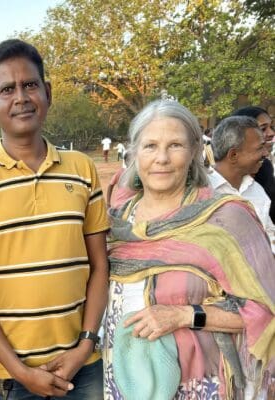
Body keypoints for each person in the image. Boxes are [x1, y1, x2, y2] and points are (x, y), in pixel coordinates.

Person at [0, 39, 109, 399]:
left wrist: (86, 344)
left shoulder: (82, 169)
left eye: (30, 85)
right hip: (7, 376)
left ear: (47, 93)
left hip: (83, 366)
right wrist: (20, 371)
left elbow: (100, 265)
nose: (21, 97)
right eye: (7, 89)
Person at [103, 100, 274, 399]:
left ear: (195, 151)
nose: (162, 158)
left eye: (175, 145)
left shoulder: (226, 219)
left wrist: (185, 315)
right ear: (135, 152)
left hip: (201, 385)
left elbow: (265, 307)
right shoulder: (117, 219)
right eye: (150, 146)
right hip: (125, 379)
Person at [209, 115, 275, 252]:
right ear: (233, 155)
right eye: (260, 148)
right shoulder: (202, 192)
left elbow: (270, 236)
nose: (265, 153)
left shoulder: (255, 189)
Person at [232, 106, 275, 223]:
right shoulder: (214, 181)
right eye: (263, 129)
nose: (271, 133)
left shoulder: (265, 168)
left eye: (271, 127)